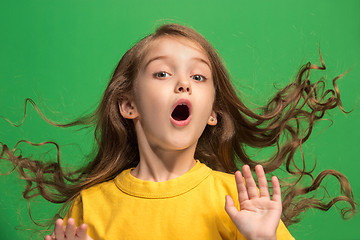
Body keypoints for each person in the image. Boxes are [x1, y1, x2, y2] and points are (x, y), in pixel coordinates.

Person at [1, 23, 356, 240]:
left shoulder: (241, 200)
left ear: (213, 114)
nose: (184, 83)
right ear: (129, 106)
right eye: (162, 73)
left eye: (199, 77)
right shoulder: (89, 207)